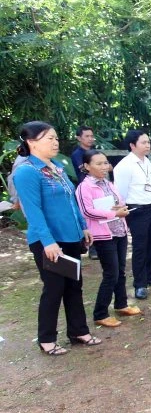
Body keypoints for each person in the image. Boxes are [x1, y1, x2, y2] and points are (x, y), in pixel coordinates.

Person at [13, 121, 101, 356]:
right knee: (54, 288)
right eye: (48, 138)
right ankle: (46, 339)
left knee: (75, 285)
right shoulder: (26, 172)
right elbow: (33, 211)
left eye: (55, 138)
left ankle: (78, 332)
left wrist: (83, 227)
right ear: (31, 142)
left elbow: (72, 201)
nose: (55, 142)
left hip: (70, 236)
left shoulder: (57, 168)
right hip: (49, 240)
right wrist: (48, 242)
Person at [76, 150, 142, 327]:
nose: (104, 167)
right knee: (111, 273)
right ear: (87, 167)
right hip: (103, 235)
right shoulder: (85, 187)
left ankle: (121, 304)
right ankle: (100, 313)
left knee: (120, 270)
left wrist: (121, 207)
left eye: (105, 163)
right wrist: (112, 212)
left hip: (119, 230)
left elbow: (118, 201)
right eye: (99, 164)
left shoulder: (108, 183)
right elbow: (87, 211)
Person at [113, 129, 151, 301]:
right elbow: (120, 193)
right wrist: (123, 213)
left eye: (148, 142)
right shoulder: (124, 166)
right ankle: (140, 284)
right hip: (136, 210)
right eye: (143, 142)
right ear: (132, 145)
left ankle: (149, 275)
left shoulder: (148, 162)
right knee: (140, 246)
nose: (148, 145)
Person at [70, 126, 99, 259]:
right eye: (87, 136)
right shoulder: (77, 154)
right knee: (89, 218)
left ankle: (100, 245)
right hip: (85, 188)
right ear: (79, 138)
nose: (90, 138)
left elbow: (108, 166)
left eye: (91, 136)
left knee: (100, 215)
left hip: (98, 186)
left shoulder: (95, 151)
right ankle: (91, 248)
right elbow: (85, 170)